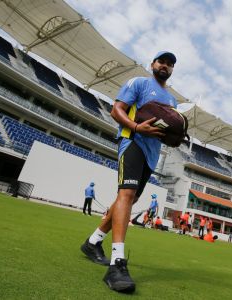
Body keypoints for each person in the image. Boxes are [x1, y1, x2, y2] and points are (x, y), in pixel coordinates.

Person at [80, 51, 177, 294]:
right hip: (132, 141)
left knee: (128, 198)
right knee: (126, 195)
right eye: (161, 61)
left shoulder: (172, 100)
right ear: (152, 64)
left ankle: (92, 242)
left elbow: (167, 129)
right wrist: (135, 126)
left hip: (152, 154)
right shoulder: (139, 83)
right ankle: (117, 264)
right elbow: (117, 109)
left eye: (170, 64)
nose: (165, 66)